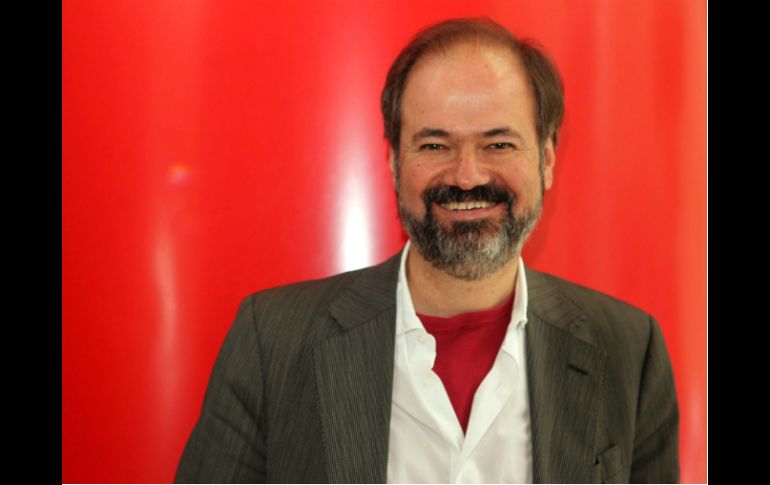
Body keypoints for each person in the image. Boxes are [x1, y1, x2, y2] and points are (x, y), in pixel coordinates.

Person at [175, 17, 679, 484]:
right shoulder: (273, 343)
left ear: (546, 160)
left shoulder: (628, 353)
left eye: (498, 144)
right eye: (435, 145)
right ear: (395, 162)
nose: (467, 176)